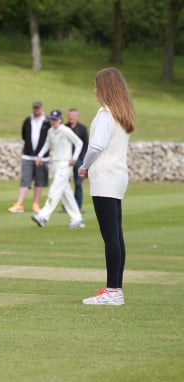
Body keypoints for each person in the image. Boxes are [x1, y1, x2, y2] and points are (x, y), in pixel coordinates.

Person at [78, 67, 135, 306]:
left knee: (110, 237)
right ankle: (115, 289)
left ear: (106, 89)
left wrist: (84, 166)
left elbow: (95, 146)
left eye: (97, 86)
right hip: (118, 175)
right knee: (116, 236)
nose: (94, 90)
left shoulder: (105, 114)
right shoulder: (122, 115)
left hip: (104, 176)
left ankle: (113, 292)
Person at [31, 109, 84, 228]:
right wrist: (40, 155)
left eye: (55, 119)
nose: (53, 121)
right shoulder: (50, 131)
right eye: (52, 119)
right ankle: (77, 219)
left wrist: (74, 158)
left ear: (60, 120)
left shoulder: (65, 130)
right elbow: (47, 144)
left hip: (65, 164)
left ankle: (43, 216)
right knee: (66, 193)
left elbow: (79, 143)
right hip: (55, 164)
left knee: (55, 189)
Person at [8, 101, 51, 213]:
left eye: (38, 108)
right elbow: (24, 136)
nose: (36, 110)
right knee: (25, 180)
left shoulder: (47, 122)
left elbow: (50, 139)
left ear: (41, 108)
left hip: (42, 157)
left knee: (39, 181)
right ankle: (20, 203)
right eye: (34, 108)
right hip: (28, 155)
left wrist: (41, 154)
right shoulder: (28, 121)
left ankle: (35, 204)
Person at [65, 108, 89, 211]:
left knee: (78, 184)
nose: (71, 118)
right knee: (65, 183)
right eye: (70, 115)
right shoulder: (64, 127)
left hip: (78, 160)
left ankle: (77, 206)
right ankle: (66, 206)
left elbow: (85, 145)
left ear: (77, 116)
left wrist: (81, 159)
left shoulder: (82, 129)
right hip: (66, 159)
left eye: (73, 116)